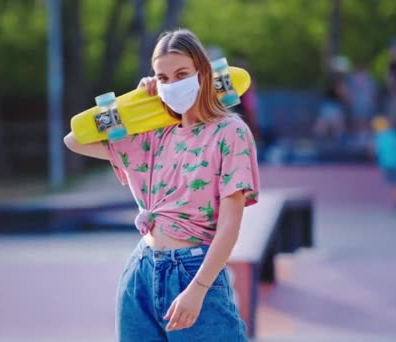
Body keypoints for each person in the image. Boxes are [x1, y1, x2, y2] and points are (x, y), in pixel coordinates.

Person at [64, 28, 259, 341]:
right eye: (163, 78)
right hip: (142, 271)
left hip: (195, 270)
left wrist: (197, 289)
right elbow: (74, 140)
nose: (172, 84)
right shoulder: (155, 135)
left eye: (182, 74)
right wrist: (139, 103)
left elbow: (229, 227)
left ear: (202, 72)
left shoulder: (230, 132)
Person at [371, 115, 396, 211]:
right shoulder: (394, 134)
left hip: (387, 164)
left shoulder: (378, 137)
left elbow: (374, 150)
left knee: (393, 184)